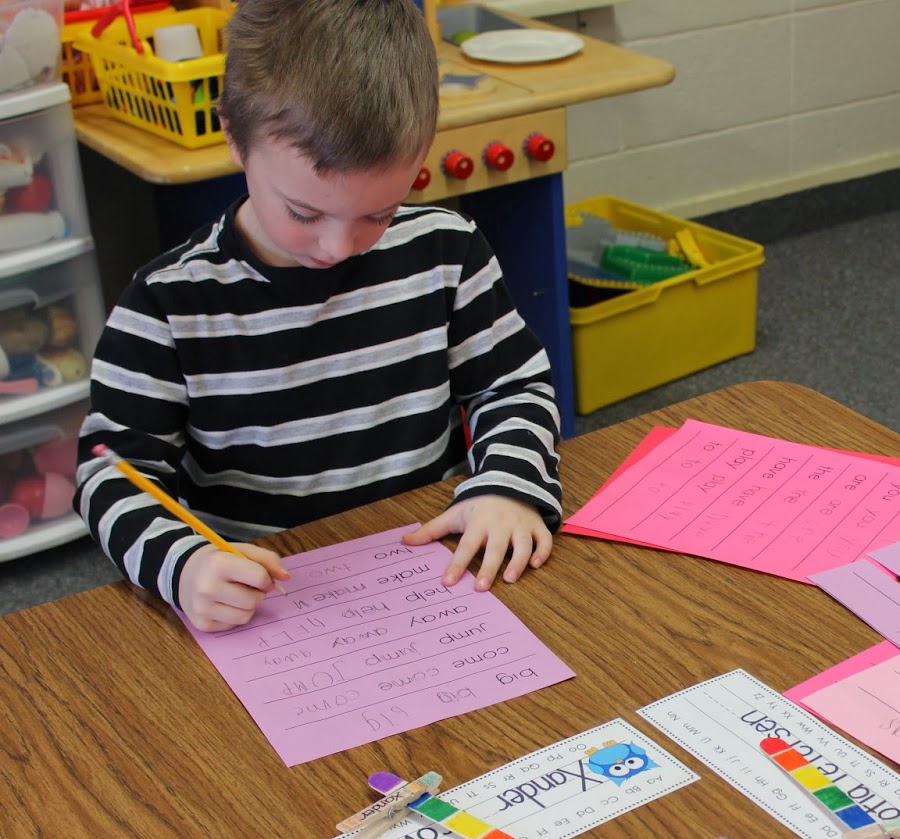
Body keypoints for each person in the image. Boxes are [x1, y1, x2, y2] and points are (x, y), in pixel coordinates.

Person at [74, 0, 562, 632]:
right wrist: (183, 563)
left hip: (433, 581)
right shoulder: (167, 305)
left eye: (379, 213)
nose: (337, 247)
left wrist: (506, 484)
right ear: (232, 135)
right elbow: (113, 470)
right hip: (267, 609)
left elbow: (512, 385)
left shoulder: (446, 248)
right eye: (304, 213)